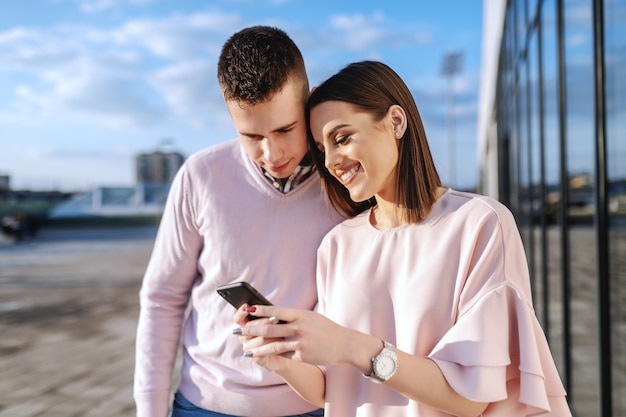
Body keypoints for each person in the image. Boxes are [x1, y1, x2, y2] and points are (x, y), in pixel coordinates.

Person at [233, 61, 572, 416]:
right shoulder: (338, 244)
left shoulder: (478, 224)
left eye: (342, 138)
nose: (331, 161)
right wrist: (279, 357)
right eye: (321, 149)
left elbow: (470, 398)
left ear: (396, 122)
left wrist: (351, 346)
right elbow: (331, 388)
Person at [133, 26, 342, 417]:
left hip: (315, 406)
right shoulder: (201, 175)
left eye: (285, 129)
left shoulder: (347, 185)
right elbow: (163, 298)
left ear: (309, 102)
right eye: (251, 135)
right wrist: (149, 410)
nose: (271, 152)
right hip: (204, 405)